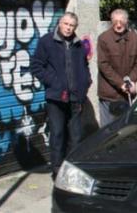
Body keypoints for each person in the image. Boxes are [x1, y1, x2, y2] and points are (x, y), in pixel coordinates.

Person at [31, 12, 92, 179]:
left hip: (75, 98)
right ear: (59, 23)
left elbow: (84, 67)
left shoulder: (78, 45)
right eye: (66, 24)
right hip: (56, 98)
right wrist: (55, 84)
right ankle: (57, 170)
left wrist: (85, 85)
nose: (68, 28)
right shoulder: (46, 41)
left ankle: (72, 171)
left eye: (72, 25)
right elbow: (36, 66)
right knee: (57, 135)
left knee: (76, 136)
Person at [97, 9, 137, 126]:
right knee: (108, 131)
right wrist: (120, 84)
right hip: (109, 95)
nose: (118, 25)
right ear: (111, 22)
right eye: (115, 21)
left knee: (124, 129)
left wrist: (130, 81)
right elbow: (103, 65)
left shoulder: (134, 38)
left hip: (126, 94)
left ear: (127, 21)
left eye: (121, 21)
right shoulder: (104, 38)